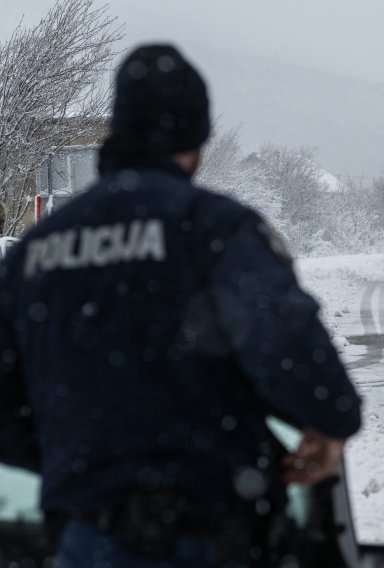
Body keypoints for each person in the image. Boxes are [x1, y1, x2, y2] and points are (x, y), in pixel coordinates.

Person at [0, 44, 361, 566]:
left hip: (88, 543)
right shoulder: (213, 230)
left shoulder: (35, 254)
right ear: (197, 135)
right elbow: (303, 365)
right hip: (214, 534)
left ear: (117, 134)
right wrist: (328, 428)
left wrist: (82, 463)